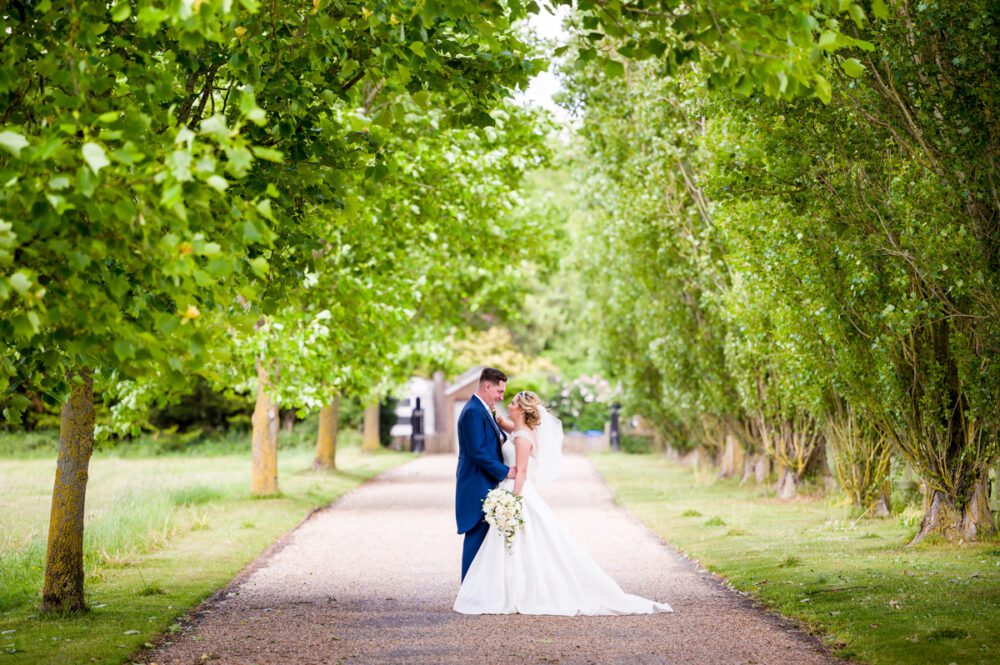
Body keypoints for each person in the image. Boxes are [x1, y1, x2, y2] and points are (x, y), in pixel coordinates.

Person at [454, 390, 673, 616]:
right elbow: (510, 427)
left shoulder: (521, 437)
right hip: (514, 490)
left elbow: (521, 473)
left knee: (517, 545)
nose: (507, 405)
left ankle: (515, 592)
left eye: (512, 403)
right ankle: (509, 589)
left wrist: (511, 504)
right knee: (517, 546)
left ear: (520, 409)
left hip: (516, 493)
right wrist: (497, 419)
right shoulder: (522, 431)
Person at [455, 367, 517, 581]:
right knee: (476, 537)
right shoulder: (473, 411)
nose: (501, 397)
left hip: (488, 483)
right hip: (476, 483)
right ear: (487, 386)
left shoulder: (484, 410)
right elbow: (477, 452)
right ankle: (468, 591)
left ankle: (480, 590)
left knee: (486, 541)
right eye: (499, 392)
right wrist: (506, 471)